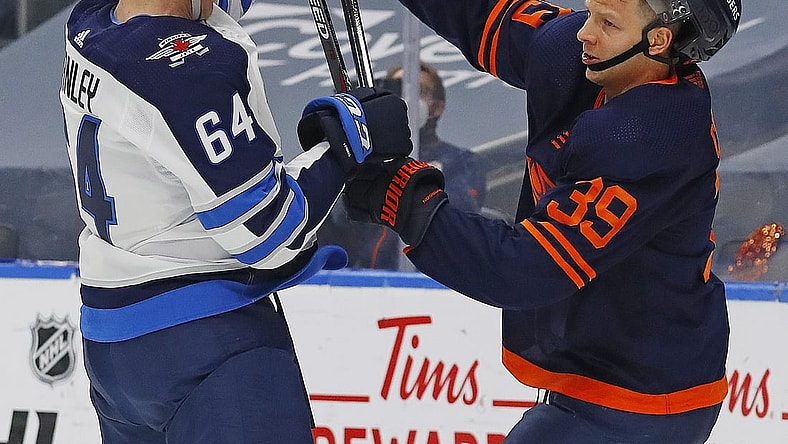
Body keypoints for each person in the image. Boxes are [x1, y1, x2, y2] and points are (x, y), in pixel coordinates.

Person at [343, 0, 741, 442]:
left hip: (645, 399)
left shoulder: (653, 135)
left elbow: (526, 269)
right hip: (590, 370)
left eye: (607, 23)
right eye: (592, 11)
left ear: (659, 41)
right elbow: (478, 14)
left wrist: (405, 199)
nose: (584, 32)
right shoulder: (584, 53)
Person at [59, 0, 409, 442]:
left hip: (114, 354)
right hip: (208, 343)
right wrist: (347, 143)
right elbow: (269, 233)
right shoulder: (185, 70)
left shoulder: (90, 20)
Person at [319, 61, 487, 269]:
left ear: (437, 108)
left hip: (431, 281)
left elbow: (461, 213)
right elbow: (337, 220)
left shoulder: (463, 161)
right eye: (398, 89)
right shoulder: (367, 158)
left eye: (420, 91)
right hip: (362, 281)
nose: (408, 99)